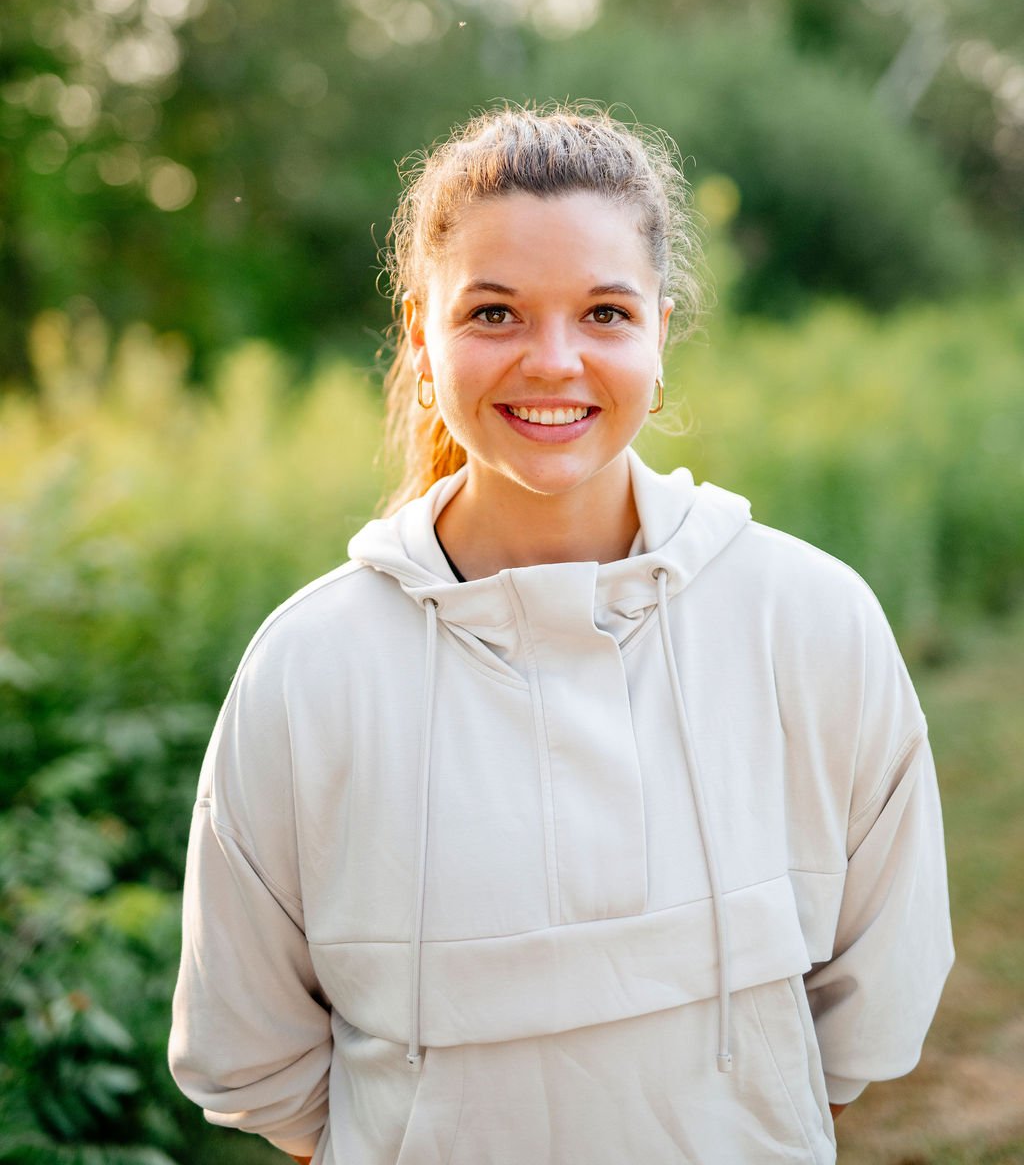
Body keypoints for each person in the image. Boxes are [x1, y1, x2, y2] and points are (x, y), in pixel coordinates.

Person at [168, 104, 954, 1165]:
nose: (552, 361)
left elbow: (871, 1002)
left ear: (658, 335)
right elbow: (252, 1050)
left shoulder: (808, 621)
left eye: (603, 313)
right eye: (493, 313)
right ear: (420, 334)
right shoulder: (310, 668)